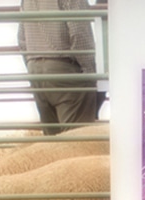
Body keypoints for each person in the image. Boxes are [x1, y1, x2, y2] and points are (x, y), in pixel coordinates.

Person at [17, 0, 98, 135]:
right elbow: (79, 33)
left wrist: (32, 63)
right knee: (77, 137)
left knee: (52, 138)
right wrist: (90, 73)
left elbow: (21, 37)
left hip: (35, 67)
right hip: (64, 67)